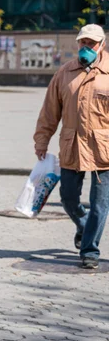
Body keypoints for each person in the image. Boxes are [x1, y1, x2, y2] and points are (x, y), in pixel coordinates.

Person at [34, 23, 109, 269]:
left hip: (103, 150)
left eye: (92, 43)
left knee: (100, 204)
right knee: (67, 198)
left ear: (102, 44)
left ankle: (90, 251)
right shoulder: (65, 73)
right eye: (83, 42)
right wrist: (42, 140)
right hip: (72, 146)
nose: (87, 47)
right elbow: (49, 112)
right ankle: (84, 224)